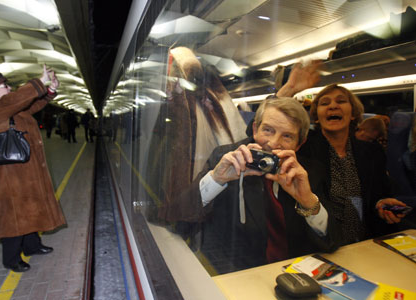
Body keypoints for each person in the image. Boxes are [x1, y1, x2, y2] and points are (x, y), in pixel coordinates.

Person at [165, 98, 341, 270]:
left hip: (293, 276)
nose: (273, 144)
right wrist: (216, 180)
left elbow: (334, 240)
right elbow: (178, 221)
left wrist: (308, 201)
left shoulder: (309, 172)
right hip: (236, 274)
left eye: (287, 136)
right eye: (268, 130)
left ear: (299, 144)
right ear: (255, 129)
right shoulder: (226, 159)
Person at [0, 66, 66, 272]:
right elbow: (16, 100)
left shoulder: (7, 108)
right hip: (11, 172)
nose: (9, 87)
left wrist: (49, 92)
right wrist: (39, 81)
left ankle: (31, 246)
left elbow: (29, 106)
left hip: (26, 169)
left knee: (31, 204)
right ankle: (10, 259)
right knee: (14, 212)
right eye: (5, 85)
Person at [295, 84, 409, 245]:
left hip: (364, 242)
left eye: (341, 101)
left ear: (354, 114)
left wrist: (381, 204)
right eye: (325, 103)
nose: (333, 106)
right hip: (320, 244)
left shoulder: (372, 152)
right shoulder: (303, 150)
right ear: (316, 117)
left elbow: (379, 194)